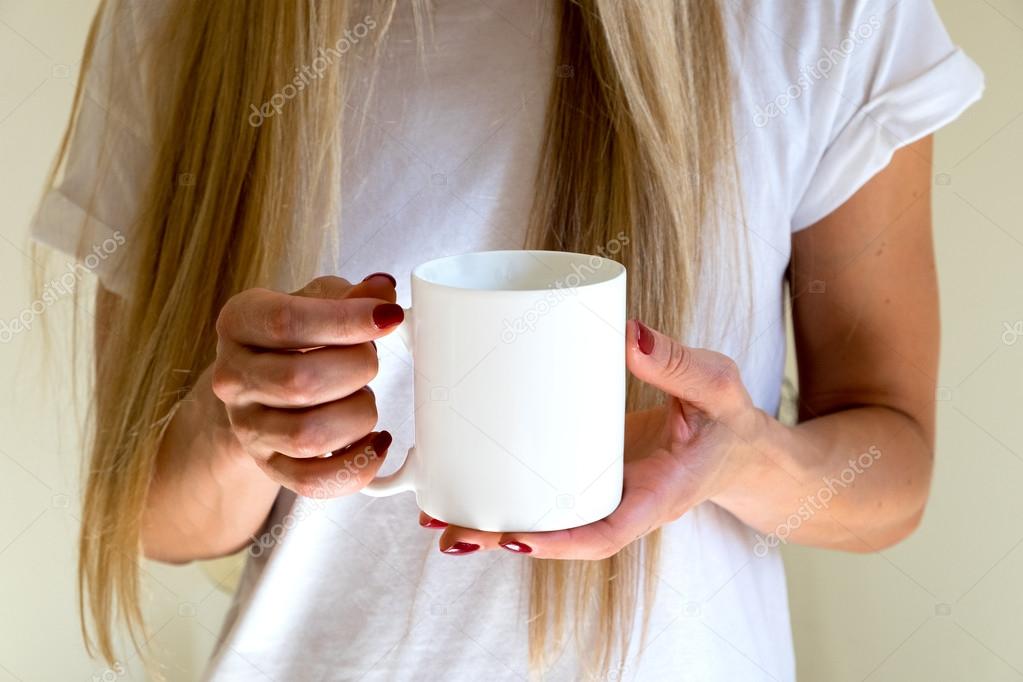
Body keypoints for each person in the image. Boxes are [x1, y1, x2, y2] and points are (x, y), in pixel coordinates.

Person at [31, 0, 983, 679]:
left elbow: (889, 472)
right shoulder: (188, 22)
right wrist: (247, 423)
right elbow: (153, 520)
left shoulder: (830, 19)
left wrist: (739, 459)